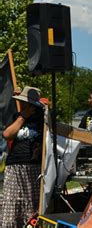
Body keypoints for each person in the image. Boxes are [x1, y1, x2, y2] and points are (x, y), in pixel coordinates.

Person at [0, 87, 44, 227]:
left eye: (28, 104)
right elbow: (7, 135)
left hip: (33, 166)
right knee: (12, 202)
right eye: (24, 103)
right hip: (14, 165)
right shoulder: (17, 117)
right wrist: (23, 116)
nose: (25, 105)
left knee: (31, 203)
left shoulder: (42, 119)